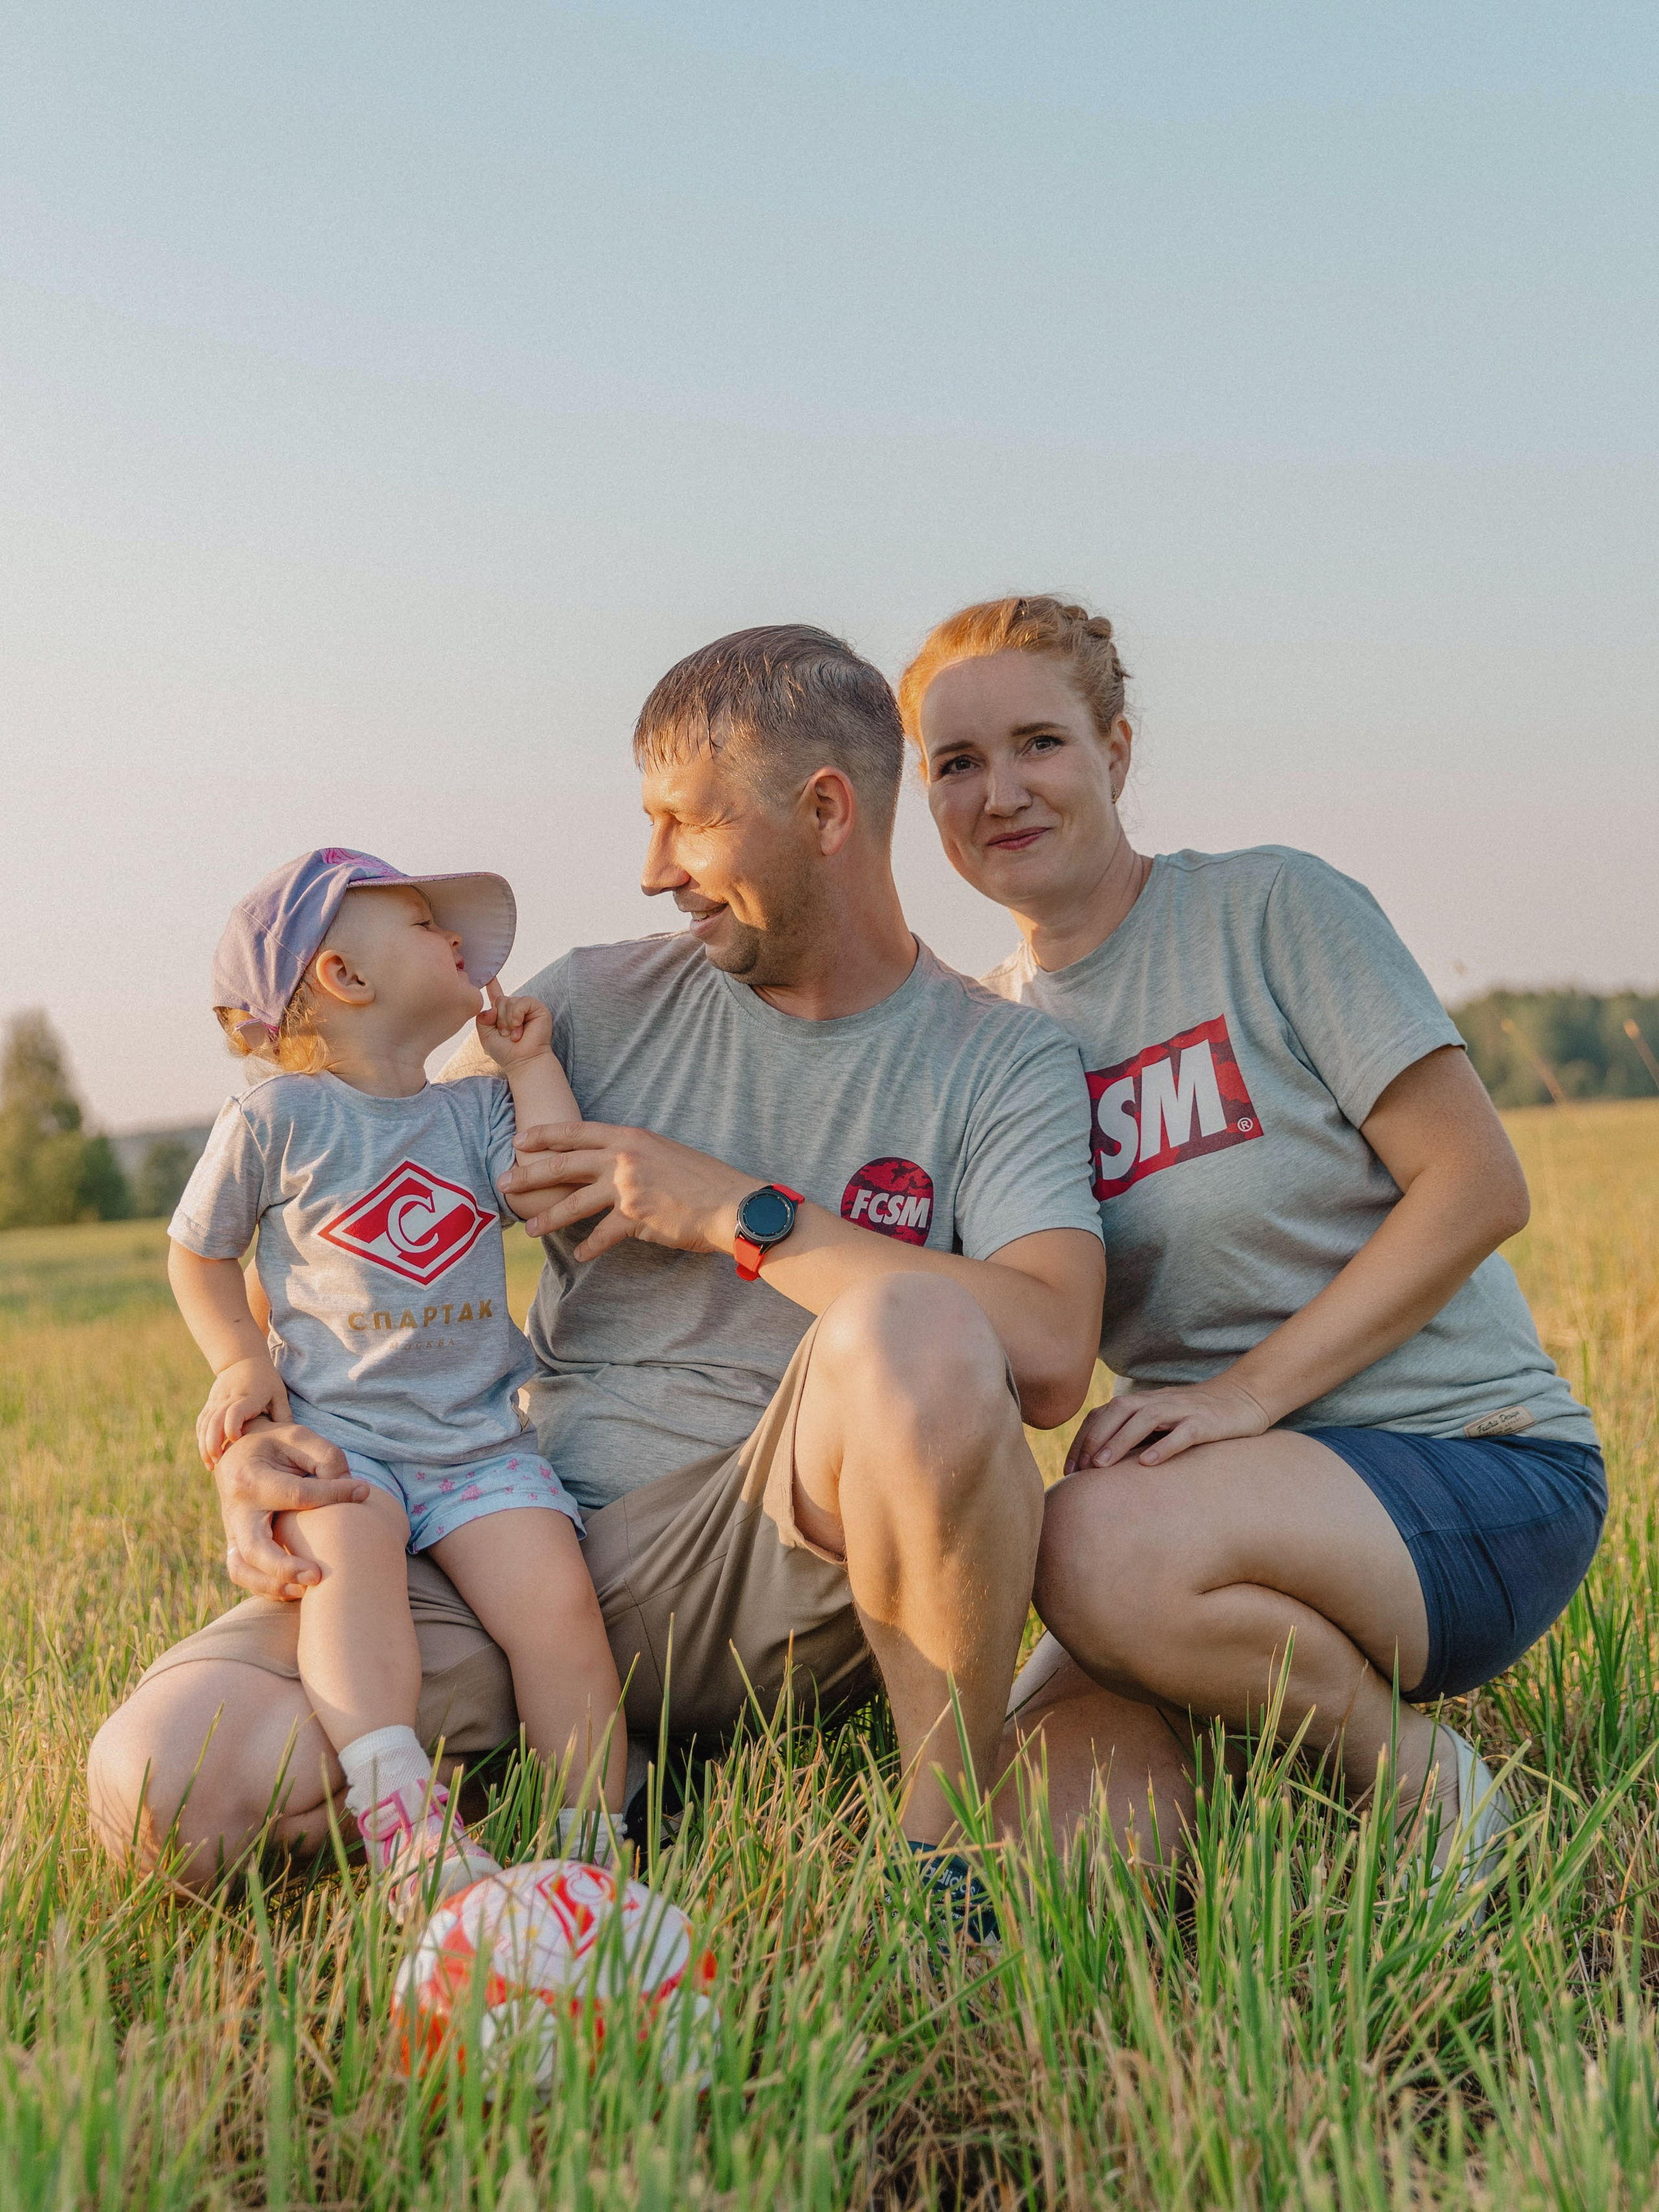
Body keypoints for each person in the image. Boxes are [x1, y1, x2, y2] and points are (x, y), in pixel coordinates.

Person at [88, 626, 1109, 1928]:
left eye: (685, 824)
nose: (649, 871)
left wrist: (730, 1212)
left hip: (764, 1567)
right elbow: (349, 1207)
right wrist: (258, 1427)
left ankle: (944, 1857)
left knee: (913, 1318)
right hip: (514, 1541)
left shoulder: (995, 1059)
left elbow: (1047, 1348)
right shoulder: (583, 1010)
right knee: (164, 1781)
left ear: (823, 810)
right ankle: (566, 1808)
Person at [899, 594, 1606, 1872]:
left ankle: (1421, 1790)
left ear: (1114, 752)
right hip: (1205, 1512)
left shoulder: (1270, 911)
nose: (998, 790)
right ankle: (1233, 1741)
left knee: (1094, 1547)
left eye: (1037, 744)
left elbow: (1474, 1184)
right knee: (1068, 1841)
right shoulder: (984, 1046)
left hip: (1463, 1459)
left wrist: (1239, 1397)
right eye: (954, 763)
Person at [166, 848, 627, 1913]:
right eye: (425, 925)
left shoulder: (469, 1117)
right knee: (345, 1572)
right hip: (345, 1438)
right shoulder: (276, 1120)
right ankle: (404, 1816)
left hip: (479, 1441)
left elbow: (557, 1171)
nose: (456, 942)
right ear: (345, 977)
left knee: (559, 1605)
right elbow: (197, 1253)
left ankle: (591, 1840)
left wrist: (528, 1065)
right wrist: (241, 1359)